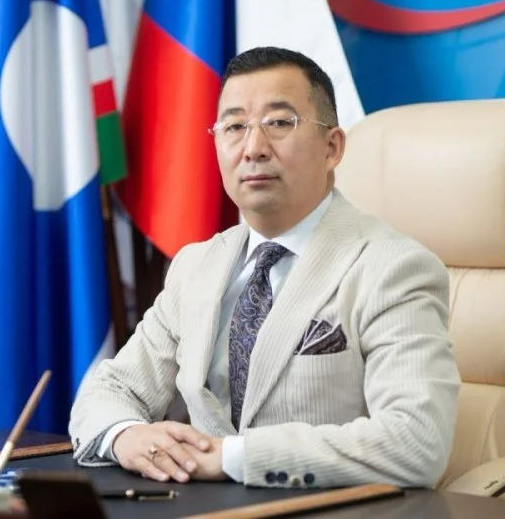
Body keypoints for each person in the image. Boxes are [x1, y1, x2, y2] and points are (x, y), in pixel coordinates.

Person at [69, 46, 461, 489]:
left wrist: (232, 457)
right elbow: (110, 391)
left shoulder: (392, 269)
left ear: (332, 147)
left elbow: (416, 442)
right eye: (235, 127)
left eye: (279, 123)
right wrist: (125, 435)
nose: (253, 149)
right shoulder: (195, 265)